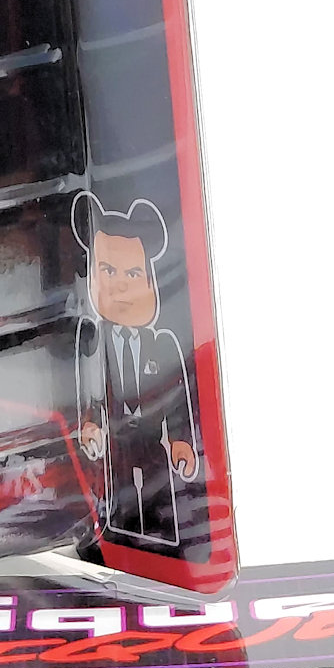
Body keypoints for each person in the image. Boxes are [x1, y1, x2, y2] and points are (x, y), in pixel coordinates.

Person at [73, 192, 198, 545]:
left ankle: (160, 537)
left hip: (152, 443)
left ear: (151, 282)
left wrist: (181, 441)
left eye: (132, 273)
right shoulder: (92, 341)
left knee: (159, 505)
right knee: (118, 505)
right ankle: (120, 536)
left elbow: (177, 399)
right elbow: (86, 394)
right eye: (109, 271)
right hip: (114, 447)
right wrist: (89, 425)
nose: (121, 284)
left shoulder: (165, 344)